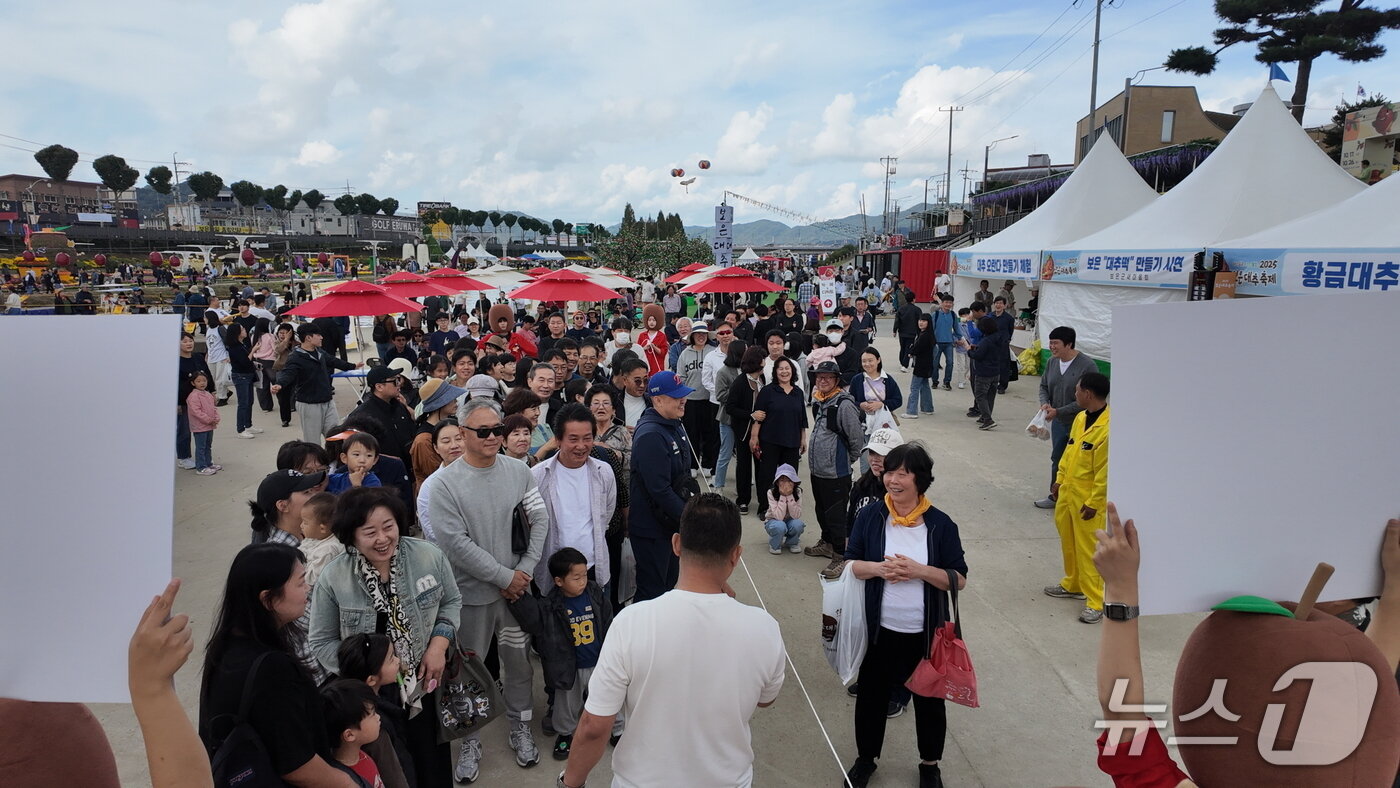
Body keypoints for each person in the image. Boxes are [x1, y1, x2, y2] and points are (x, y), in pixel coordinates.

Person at [560, 494, 785, 788]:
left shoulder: (631, 622)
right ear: (736, 555)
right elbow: (766, 700)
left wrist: (570, 783)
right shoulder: (764, 628)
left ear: (676, 544)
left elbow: (594, 726)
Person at [422, 398, 549, 780]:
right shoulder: (443, 484)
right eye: (484, 431)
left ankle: (520, 725)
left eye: (498, 430)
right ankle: (469, 739)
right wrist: (505, 577)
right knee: (464, 673)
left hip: (515, 594)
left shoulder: (519, 471)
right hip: (470, 599)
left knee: (519, 666)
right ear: (462, 434)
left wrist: (522, 572)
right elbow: (455, 544)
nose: (494, 437)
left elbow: (540, 518)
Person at [309, 486, 462, 788]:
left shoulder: (428, 556)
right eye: (370, 532)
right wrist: (366, 674)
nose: (383, 539)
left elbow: (451, 602)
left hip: (424, 681)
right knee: (393, 770)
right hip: (372, 698)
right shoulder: (334, 577)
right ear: (351, 535)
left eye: (388, 527)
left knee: (432, 762)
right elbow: (321, 641)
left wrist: (438, 644)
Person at [842, 443, 968, 788]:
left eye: (902, 473)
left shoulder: (940, 525)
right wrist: (881, 569)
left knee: (929, 702)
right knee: (871, 699)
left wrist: (919, 571)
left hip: (924, 635)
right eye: (889, 471)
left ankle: (930, 764)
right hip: (879, 631)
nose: (892, 480)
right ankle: (865, 760)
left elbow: (958, 578)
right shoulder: (871, 517)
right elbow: (850, 564)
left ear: (920, 480)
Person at [199, 543, 358, 788]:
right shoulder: (272, 668)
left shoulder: (225, 645)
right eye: (300, 582)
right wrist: (349, 783)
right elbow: (296, 766)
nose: (308, 588)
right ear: (268, 598)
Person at [511, 547, 624, 762]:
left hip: (598, 663)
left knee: (609, 697)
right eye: (576, 577)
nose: (582, 581)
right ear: (559, 581)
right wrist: (518, 599)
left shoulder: (594, 594)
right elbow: (533, 621)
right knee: (566, 705)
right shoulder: (551, 605)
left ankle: (617, 730)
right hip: (569, 667)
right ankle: (565, 734)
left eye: (584, 575)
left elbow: (608, 620)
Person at [1045, 372, 1111, 624]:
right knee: (1069, 542)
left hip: (1087, 501)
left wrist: (1094, 503)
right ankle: (1073, 583)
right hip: (1068, 493)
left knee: (1089, 550)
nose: (1075, 394)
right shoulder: (1081, 418)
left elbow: (1105, 472)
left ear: (1088, 394)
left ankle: (1096, 600)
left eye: (1077, 390)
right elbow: (1070, 451)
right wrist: (1059, 480)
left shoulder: (1108, 428)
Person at [530, 403, 617, 594]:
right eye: (573, 439)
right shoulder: (537, 476)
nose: (581, 446)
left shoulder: (604, 472)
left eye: (587, 438)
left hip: (594, 570)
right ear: (558, 439)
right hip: (553, 573)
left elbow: (606, 515)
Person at [628, 370, 698, 601]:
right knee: (653, 591)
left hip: (669, 525)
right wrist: (691, 518)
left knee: (669, 586)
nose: (683, 400)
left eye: (683, 395)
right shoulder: (651, 435)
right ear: (657, 400)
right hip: (653, 530)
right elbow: (660, 490)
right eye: (676, 396)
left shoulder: (673, 424)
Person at [804, 361, 864, 560]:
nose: (822, 381)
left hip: (836, 473)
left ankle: (840, 554)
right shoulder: (819, 401)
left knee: (836, 516)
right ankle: (827, 542)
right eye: (819, 377)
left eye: (828, 377)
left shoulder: (844, 405)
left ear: (836, 380)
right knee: (822, 511)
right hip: (818, 471)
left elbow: (856, 439)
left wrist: (845, 460)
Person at [1034, 326, 1098, 509]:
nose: (1051, 347)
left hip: (1085, 423)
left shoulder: (1087, 366)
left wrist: (1059, 411)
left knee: (1083, 461)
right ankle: (1056, 496)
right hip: (1059, 422)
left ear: (1069, 344)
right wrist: (1045, 403)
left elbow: (1090, 398)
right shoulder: (1052, 363)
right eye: (1050, 342)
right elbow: (1044, 386)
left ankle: (1083, 500)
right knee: (1059, 458)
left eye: (1056, 343)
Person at [273, 323, 359, 444]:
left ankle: (334, 461)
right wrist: (280, 384)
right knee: (313, 442)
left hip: (328, 401)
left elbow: (333, 361)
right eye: (318, 335)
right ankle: (315, 462)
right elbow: (288, 373)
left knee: (336, 437)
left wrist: (353, 366)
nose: (321, 337)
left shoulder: (319, 352)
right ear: (308, 337)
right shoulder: (295, 357)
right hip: (309, 404)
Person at [749, 356, 808, 508]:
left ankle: (787, 507)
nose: (784, 371)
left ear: (792, 371)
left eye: (787, 368)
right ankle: (765, 507)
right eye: (780, 368)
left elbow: (802, 418)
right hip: (770, 440)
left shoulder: (798, 393)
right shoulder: (768, 391)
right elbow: (758, 417)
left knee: (789, 476)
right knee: (767, 476)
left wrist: (803, 439)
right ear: (775, 372)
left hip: (792, 441)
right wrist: (754, 437)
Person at [725, 346, 766, 516]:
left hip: (761, 430)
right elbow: (730, 407)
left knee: (761, 465)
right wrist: (750, 415)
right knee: (743, 465)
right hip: (743, 431)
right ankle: (743, 500)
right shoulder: (740, 382)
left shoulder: (762, 378)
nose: (765, 361)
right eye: (762, 358)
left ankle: (763, 501)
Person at [348, 366, 417, 465]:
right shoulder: (362, 416)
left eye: (399, 379)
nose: (399, 384)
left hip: (407, 469)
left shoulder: (399, 406)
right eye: (395, 381)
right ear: (379, 387)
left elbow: (411, 433)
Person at [677, 321, 719, 474]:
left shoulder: (713, 351)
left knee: (709, 433)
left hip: (710, 399)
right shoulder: (685, 354)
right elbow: (680, 376)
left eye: (703, 334)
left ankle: (708, 464)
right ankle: (693, 465)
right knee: (692, 433)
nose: (701, 336)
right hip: (691, 400)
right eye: (698, 334)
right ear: (692, 336)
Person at [850, 348, 903, 459]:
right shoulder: (857, 380)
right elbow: (850, 401)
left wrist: (881, 404)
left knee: (884, 459)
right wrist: (860, 405)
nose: (867, 364)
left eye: (870, 360)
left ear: (878, 360)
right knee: (866, 460)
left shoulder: (887, 380)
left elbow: (898, 400)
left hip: (884, 426)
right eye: (864, 361)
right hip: (864, 426)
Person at [711, 337, 746, 489]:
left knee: (743, 455)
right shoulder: (723, 372)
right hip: (728, 418)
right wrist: (738, 395)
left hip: (744, 418)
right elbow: (719, 395)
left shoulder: (748, 370)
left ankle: (744, 479)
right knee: (725, 453)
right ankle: (719, 485)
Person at [967, 315, 1006, 430]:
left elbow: (978, 356)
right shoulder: (999, 338)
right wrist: (977, 348)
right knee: (990, 395)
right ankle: (985, 416)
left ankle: (988, 419)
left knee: (980, 395)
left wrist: (969, 350)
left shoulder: (986, 341)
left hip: (984, 372)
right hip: (995, 371)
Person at [184, 370, 221, 475]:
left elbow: (213, 408)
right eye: (198, 381)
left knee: (208, 445)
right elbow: (196, 412)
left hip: (210, 425)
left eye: (204, 380)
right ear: (193, 383)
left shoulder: (208, 394)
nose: (202, 383)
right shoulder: (193, 396)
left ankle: (208, 463)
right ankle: (201, 467)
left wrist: (216, 417)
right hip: (200, 426)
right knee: (201, 447)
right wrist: (209, 419)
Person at [763, 463, 805, 554]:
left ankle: (792, 542)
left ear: (794, 482)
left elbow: (796, 515)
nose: (786, 484)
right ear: (777, 482)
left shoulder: (797, 492)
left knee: (798, 524)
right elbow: (778, 516)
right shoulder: (771, 492)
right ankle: (775, 544)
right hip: (773, 521)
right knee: (780, 526)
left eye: (789, 480)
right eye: (782, 480)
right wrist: (783, 496)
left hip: (790, 520)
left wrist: (789, 496)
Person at [906, 313, 935, 419]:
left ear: (929, 322)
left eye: (924, 321)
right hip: (927, 364)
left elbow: (917, 349)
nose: (921, 322)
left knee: (914, 387)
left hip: (921, 365)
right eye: (920, 320)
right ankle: (928, 408)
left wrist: (911, 351)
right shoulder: (928, 334)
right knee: (925, 386)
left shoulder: (924, 335)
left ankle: (911, 411)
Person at [834, 306, 870, 384]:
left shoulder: (856, 335)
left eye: (844, 316)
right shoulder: (833, 335)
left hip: (849, 373)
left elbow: (858, 356)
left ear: (851, 318)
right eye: (839, 316)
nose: (841, 318)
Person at [930, 296, 959, 391]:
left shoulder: (953, 315)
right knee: (935, 364)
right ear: (941, 303)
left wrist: (961, 339)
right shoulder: (936, 314)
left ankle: (947, 382)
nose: (948, 304)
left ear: (952, 304)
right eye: (946, 302)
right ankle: (935, 381)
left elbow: (957, 329)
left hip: (949, 343)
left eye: (950, 303)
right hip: (937, 343)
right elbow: (931, 329)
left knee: (950, 363)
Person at [894, 297, 922, 372]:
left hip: (902, 332)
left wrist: (894, 330)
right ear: (913, 299)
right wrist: (920, 332)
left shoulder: (901, 309)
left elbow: (897, 320)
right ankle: (904, 365)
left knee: (902, 347)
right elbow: (920, 321)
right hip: (912, 333)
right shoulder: (917, 309)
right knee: (908, 348)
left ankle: (902, 361)